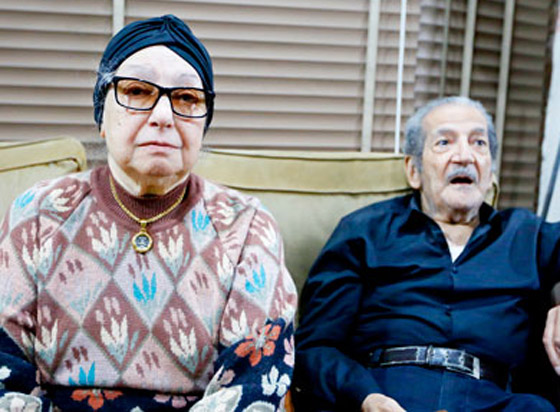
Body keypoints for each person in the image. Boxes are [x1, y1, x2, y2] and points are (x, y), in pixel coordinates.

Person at [0, 15, 296, 411]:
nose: (163, 116)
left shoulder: (246, 226)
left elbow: (253, 387)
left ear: (204, 125)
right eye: (137, 91)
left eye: (187, 98)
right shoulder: (38, 214)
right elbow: (5, 371)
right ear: (101, 115)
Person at [294, 96, 560, 411]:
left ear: (490, 171)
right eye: (444, 142)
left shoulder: (527, 234)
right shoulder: (364, 231)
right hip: (387, 395)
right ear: (414, 170)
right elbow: (316, 346)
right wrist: (366, 397)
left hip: (493, 401)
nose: (464, 156)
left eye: (478, 143)